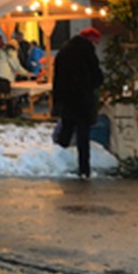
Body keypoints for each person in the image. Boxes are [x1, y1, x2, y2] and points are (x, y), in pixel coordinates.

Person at [51, 27, 104, 179]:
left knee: (65, 131)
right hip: (83, 99)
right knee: (83, 136)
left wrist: (57, 99)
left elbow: (57, 78)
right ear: (91, 40)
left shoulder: (64, 51)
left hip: (66, 98)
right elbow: (97, 76)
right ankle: (84, 168)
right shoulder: (87, 52)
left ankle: (58, 162)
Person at [0, 36, 29, 117]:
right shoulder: (12, 53)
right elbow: (16, 66)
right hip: (4, 76)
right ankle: (9, 114)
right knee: (6, 97)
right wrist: (27, 73)